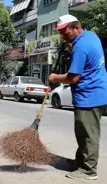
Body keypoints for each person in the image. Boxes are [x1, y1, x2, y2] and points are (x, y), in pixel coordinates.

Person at [48, 14, 107, 180]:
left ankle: (89, 171)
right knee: (82, 133)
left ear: (75, 27)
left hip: (90, 95)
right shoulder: (90, 36)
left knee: (88, 135)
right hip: (94, 92)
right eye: (60, 33)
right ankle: (80, 162)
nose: (62, 35)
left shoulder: (81, 47)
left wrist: (54, 77)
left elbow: (73, 78)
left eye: (65, 32)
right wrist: (69, 44)